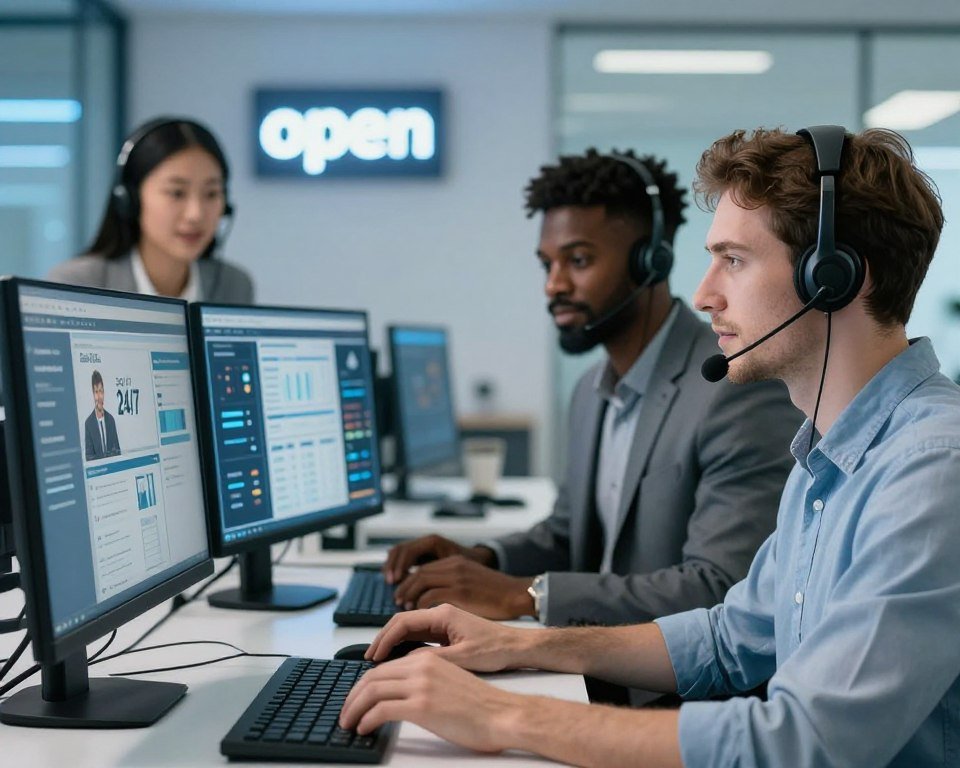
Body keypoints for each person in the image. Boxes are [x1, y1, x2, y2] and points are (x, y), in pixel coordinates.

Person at [339, 126, 960, 767]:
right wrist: (519, 645)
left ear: (833, 277)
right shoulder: (825, 455)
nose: (703, 293)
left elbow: (804, 744)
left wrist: (500, 713)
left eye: (735, 260)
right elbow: (728, 637)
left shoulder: (930, 471)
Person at [383, 149, 799, 630]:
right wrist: (481, 558)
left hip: (668, 692)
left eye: (578, 260)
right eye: (547, 265)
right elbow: (570, 536)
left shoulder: (732, 384)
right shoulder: (589, 392)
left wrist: (527, 595)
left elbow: (720, 586)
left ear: (651, 261)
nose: (554, 285)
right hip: (591, 658)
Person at [48, 116, 254, 303]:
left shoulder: (233, 286)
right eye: (176, 193)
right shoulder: (76, 284)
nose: (196, 214)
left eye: (211, 194)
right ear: (131, 199)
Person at [84, 369, 120, 460]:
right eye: (96, 392)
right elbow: (89, 458)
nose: (99, 396)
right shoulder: (88, 423)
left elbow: (118, 453)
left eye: (101, 391)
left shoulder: (111, 420)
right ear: (93, 393)